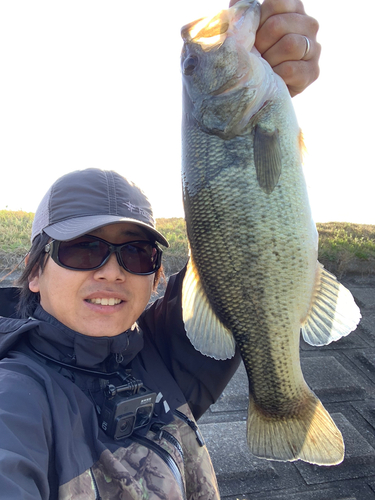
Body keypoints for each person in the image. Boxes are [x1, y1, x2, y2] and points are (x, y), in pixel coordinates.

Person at [0, 1, 320, 498]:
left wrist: (272, 46)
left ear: (156, 277)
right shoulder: (16, 394)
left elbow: (231, 257)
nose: (110, 272)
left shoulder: (162, 357)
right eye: (83, 250)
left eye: (136, 254)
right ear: (35, 271)